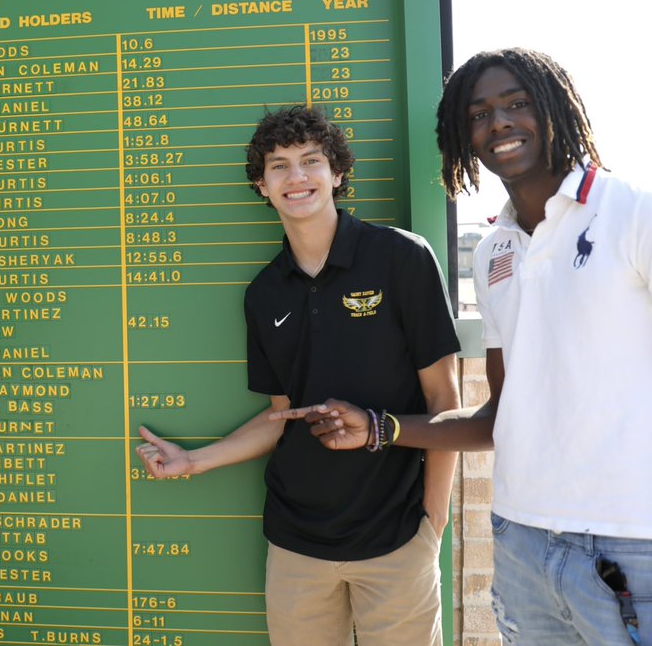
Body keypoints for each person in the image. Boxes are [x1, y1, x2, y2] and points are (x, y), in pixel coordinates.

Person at [276, 48, 652, 645]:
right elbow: (497, 418)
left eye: (516, 103)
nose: (498, 122)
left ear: (555, 108)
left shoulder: (633, 212)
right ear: (460, 134)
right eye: (478, 113)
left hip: (632, 544)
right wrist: (378, 427)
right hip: (522, 539)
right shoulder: (493, 252)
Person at [135, 105, 461, 646]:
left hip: (397, 537)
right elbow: (280, 415)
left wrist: (433, 520)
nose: (297, 176)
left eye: (311, 161)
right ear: (262, 186)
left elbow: (443, 398)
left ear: (337, 174)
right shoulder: (264, 293)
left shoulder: (401, 257)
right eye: (279, 165)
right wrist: (194, 460)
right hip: (295, 545)